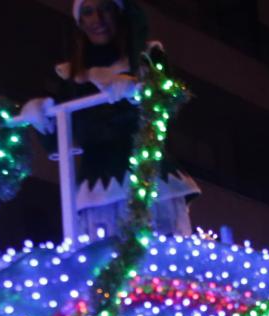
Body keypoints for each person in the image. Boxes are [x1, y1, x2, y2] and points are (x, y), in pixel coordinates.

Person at [15, 0, 199, 237]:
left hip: (151, 177)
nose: (97, 20)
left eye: (105, 10)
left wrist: (139, 87)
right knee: (102, 263)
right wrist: (42, 116)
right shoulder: (71, 76)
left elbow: (170, 99)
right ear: (80, 21)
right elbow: (62, 142)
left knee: (160, 265)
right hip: (97, 188)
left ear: (119, 13)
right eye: (88, 12)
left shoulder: (147, 57)